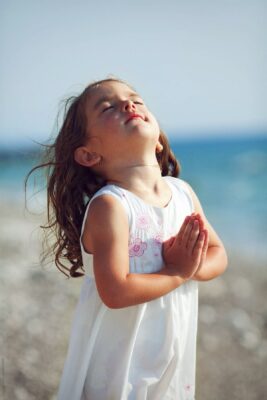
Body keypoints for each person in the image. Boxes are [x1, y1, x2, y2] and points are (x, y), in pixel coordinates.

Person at [30, 77, 227, 399]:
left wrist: (191, 265)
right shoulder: (111, 206)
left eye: (135, 98)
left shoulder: (182, 193)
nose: (128, 104)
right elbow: (115, 291)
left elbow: (218, 253)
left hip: (170, 348)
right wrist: (177, 272)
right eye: (107, 107)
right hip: (119, 362)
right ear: (88, 154)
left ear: (159, 141)